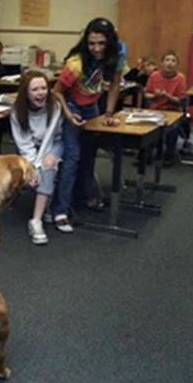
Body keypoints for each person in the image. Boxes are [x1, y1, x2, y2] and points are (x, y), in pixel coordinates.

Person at [51, 17, 126, 233]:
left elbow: (114, 86)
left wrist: (109, 113)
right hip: (72, 105)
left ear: (109, 42)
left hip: (92, 105)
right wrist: (68, 115)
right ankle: (60, 210)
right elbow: (56, 92)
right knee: (72, 157)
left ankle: (81, 199)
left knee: (89, 154)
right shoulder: (75, 64)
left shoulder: (117, 56)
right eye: (92, 43)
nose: (96, 48)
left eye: (101, 43)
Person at [10, 71, 63, 245]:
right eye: (35, 89)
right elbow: (23, 145)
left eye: (44, 88)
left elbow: (49, 139)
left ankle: (36, 220)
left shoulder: (54, 106)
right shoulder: (16, 111)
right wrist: (32, 167)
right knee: (42, 171)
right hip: (31, 150)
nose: (41, 93)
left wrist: (38, 168)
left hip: (54, 143)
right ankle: (45, 206)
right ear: (25, 92)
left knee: (48, 167)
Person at [144, 50, 186, 166]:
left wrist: (166, 95)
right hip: (155, 110)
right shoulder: (154, 76)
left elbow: (180, 101)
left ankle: (169, 156)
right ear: (162, 63)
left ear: (177, 64)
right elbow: (147, 94)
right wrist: (155, 96)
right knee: (145, 127)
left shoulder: (180, 78)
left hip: (173, 111)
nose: (170, 63)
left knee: (173, 129)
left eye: (173, 61)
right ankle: (145, 155)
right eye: (167, 60)